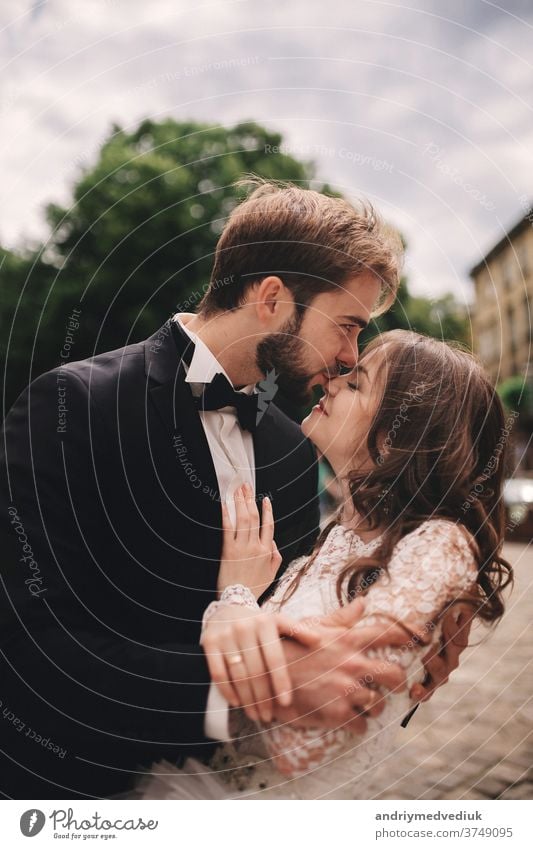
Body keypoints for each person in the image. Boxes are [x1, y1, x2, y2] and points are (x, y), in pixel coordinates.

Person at [0, 180, 465, 799]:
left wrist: (416, 631)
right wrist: (253, 686)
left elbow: (304, 613)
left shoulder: (295, 451)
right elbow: (26, 646)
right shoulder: (75, 404)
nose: (353, 356)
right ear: (272, 297)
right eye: (347, 325)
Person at [140, 330, 513, 799]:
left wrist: (234, 602)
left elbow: (304, 735)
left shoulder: (439, 544)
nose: (331, 383)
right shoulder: (335, 536)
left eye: (355, 384)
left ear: (403, 433)